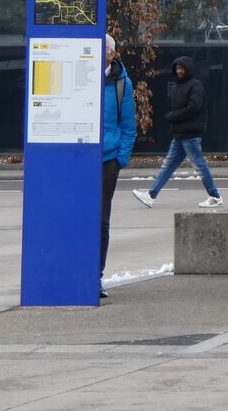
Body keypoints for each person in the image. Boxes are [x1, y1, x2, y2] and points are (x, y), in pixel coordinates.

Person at [131, 56, 223, 209]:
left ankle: (215, 196)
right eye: (177, 68)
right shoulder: (177, 87)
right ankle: (150, 195)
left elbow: (194, 107)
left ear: (188, 69)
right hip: (180, 134)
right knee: (168, 166)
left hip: (191, 135)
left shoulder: (196, 86)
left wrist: (173, 116)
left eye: (182, 68)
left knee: (199, 166)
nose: (179, 71)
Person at [102, 33, 137, 300]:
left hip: (107, 160)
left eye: (104, 50)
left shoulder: (121, 84)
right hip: (79, 160)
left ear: (113, 54)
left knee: (101, 220)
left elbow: (128, 126)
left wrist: (119, 159)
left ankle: (96, 275)